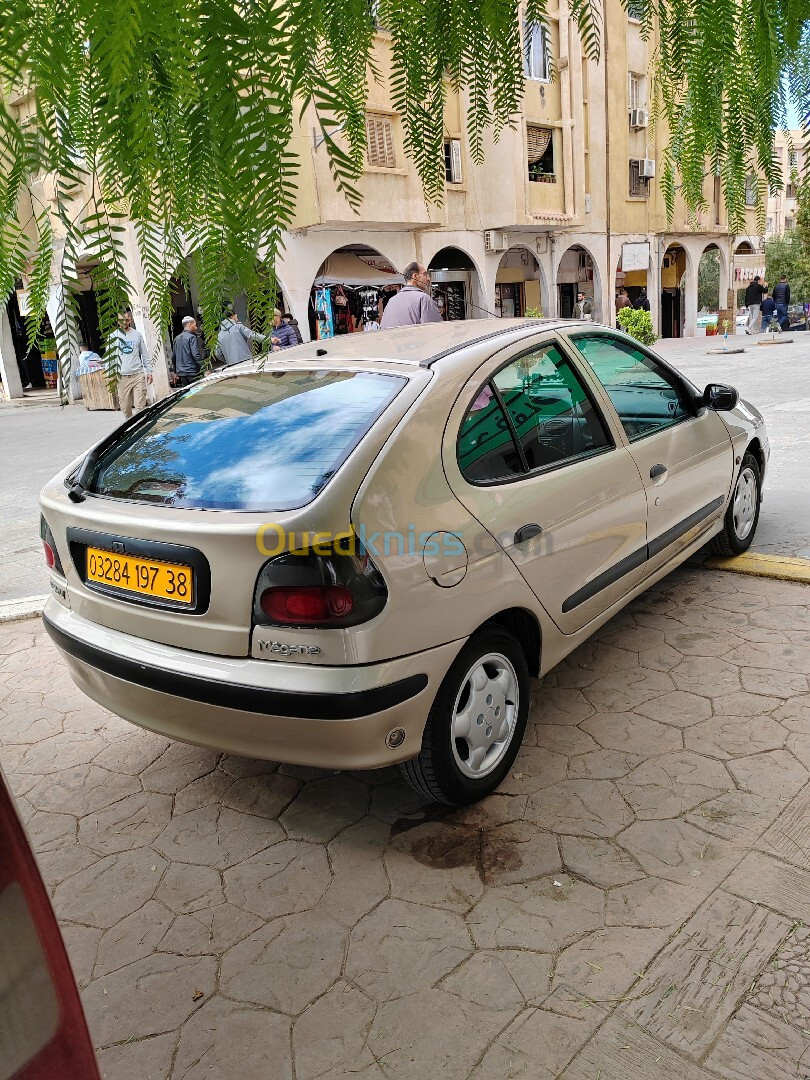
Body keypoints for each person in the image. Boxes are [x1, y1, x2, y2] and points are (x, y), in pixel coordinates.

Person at [110, 311, 152, 418]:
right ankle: (130, 429)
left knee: (140, 407)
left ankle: (139, 428)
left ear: (131, 320)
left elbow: (145, 354)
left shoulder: (137, 335)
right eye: (121, 320)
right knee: (125, 408)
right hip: (122, 377)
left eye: (127, 320)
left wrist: (149, 371)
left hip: (137, 375)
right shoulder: (113, 336)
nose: (124, 322)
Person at [380, 262, 443, 328]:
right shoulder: (424, 299)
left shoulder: (391, 302)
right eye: (425, 274)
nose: (428, 278)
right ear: (415, 276)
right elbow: (435, 331)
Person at [172, 315, 204, 385]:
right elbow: (196, 354)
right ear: (190, 325)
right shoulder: (192, 337)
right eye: (194, 325)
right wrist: (204, 368)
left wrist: (175, 371)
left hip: (182, 373)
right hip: (192, 372)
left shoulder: (176, 338)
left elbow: (174, 357)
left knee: (187, 394)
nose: (196, 328)